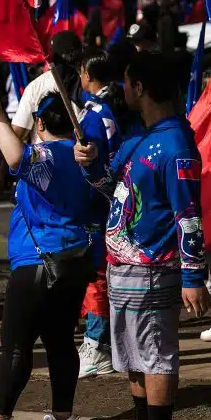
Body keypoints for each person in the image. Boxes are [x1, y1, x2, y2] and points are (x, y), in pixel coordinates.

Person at [74, 51, 208, 420]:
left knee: (153, 351)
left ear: (142, 88)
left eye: (128, 82)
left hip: (154, 268)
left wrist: (192, 276)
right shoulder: (138, 137)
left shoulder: (175, 144)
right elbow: (108, 188)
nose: (122, 90)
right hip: (121, 267)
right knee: (129, 353)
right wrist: (90, 165)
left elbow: (189, 216)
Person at [0, 93, 99, 420]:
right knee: (61, 341)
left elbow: (16, 157)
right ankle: (62, 417)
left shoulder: (48, 154)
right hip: (73, 259)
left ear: (40, 124)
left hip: (37, 262)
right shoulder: (86, 158)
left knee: (16, 344)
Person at [76, 51, 128, 379]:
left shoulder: (96, 113)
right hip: (121, 200)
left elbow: (93, 164)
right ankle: (104, 343)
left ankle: (97, 347)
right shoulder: (121, 103)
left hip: (100, 205)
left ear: (87, 73)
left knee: (97, 276)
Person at [12, 32, 84, 143]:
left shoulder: (36, 87)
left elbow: (17, 134)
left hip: (48, 158)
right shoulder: (91, 81)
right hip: (84, 155)